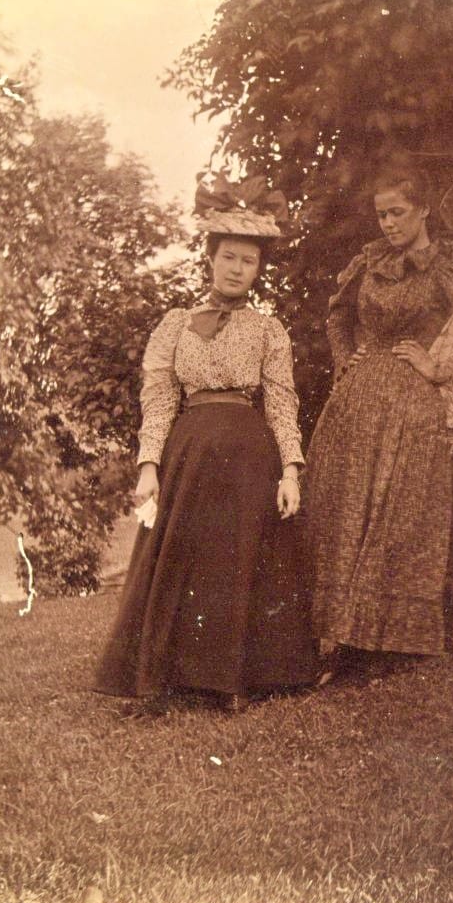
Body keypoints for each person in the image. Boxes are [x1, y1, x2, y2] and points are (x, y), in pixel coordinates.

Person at [95, 178, 316, 712]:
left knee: (239, 561)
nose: (237, 269)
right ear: (211, 259)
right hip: (189, 454)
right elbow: (159, 399)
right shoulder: (175, 325)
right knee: (180, 560)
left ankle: (234, 679)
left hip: (248, 457)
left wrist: (290, 471)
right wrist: (149, 464)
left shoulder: (268, 330)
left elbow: (281, 403)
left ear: (258, 270)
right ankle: (168, 678)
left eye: (249, 261)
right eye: (229, 257)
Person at [302, 166, 453, 681]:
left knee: (399, 514)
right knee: (345, 510)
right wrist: (345, 357)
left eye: (398, 213)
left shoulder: (444, 267)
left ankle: (387, 643)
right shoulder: (370, 262)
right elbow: (337, 316)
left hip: (412, 406)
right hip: (357, 402)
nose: (388, 223)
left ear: (424, 210)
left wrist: (439, 365)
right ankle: (341, 638)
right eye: (382, 214)